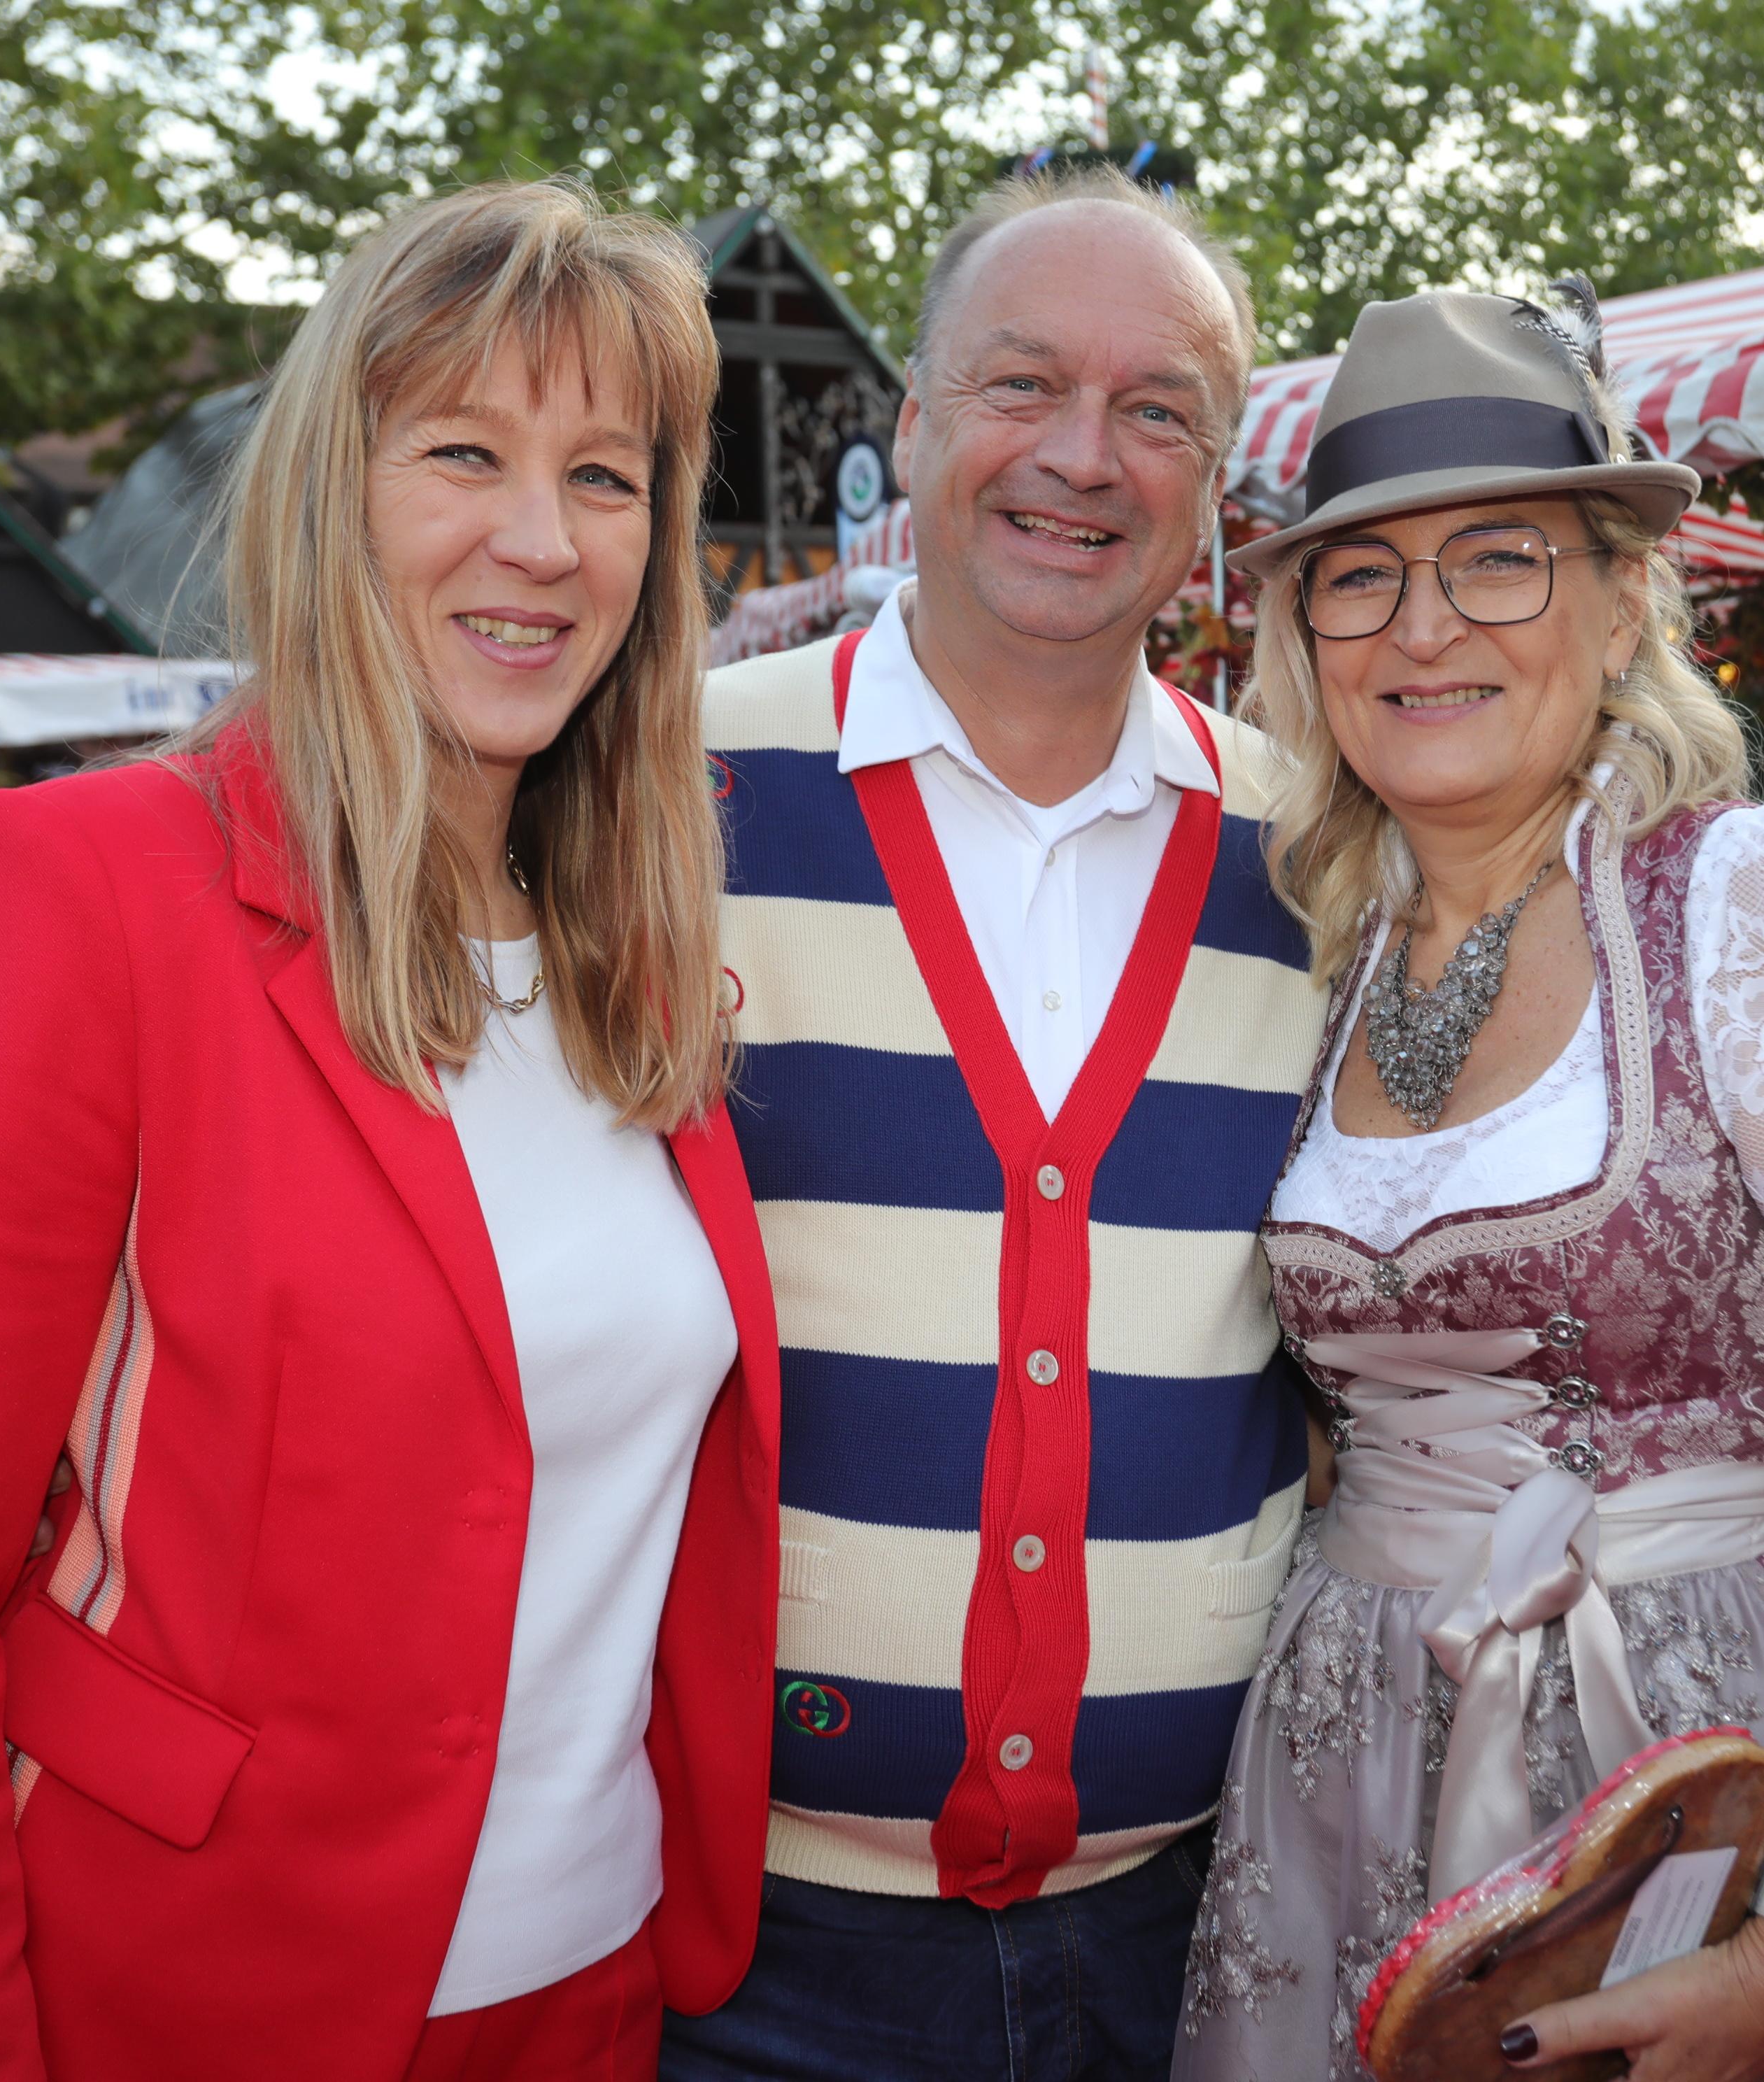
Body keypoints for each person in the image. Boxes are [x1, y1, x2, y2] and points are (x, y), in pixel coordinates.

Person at [0, 180, 781, 2080]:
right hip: (200, 1990)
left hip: (598, 1989)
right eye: (463, 453)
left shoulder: (628, 962)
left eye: (607, 477)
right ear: (336, 489)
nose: (539, 542)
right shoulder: (77, 898)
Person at [1173, 287, 1764, 2082]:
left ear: (1620, 597)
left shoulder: (1758, 897)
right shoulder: (1314, 949)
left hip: (1707, 1775)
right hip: (1343, 1774)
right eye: (1361, 578)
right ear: (1304, 629)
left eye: (1497, 562)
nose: (1422, 629)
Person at [663, 167, 1325, 2079]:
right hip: (743, 1954)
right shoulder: (669, 797)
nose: (1084, 459)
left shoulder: (1324, 860)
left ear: (1215, 485)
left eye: (1160, 410)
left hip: (1195, 1927)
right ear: (917, 423)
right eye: (1023, 385)